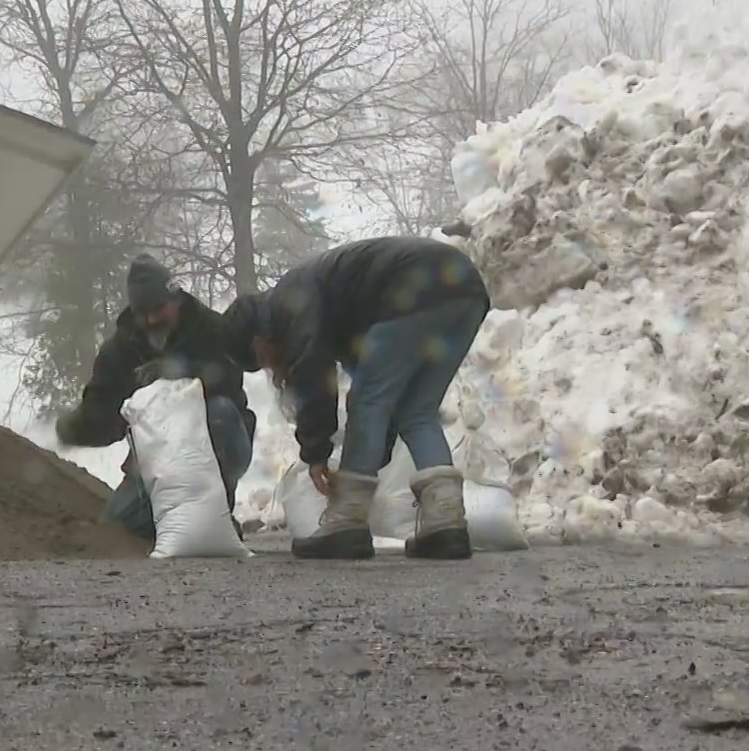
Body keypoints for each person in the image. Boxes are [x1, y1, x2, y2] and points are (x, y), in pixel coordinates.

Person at [222, 236, 492, 561]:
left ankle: (346, 521)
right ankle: (446, 523)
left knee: (368, 401)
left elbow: (312, 374)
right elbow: (377, 389)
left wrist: (317, 453)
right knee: (415, 412)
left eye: (260, 358)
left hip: (416, 285)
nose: (269, 366)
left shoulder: (289, 301)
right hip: (464, 290)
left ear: (258, 337)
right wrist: (373, 454)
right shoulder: (329, 310)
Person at [54, 254, 256, 541]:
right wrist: (76, 428)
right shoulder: (120, 351)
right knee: (118, 527)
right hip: (155, 460)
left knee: (220, 411)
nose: (151, 320)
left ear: (176, 300)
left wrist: (181, 372)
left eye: (158, 309)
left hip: (218, 441)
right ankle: (174, 521)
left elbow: (230, 380)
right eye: (142, 313)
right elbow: (104, 410)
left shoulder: (210, 328)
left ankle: (216, 516)